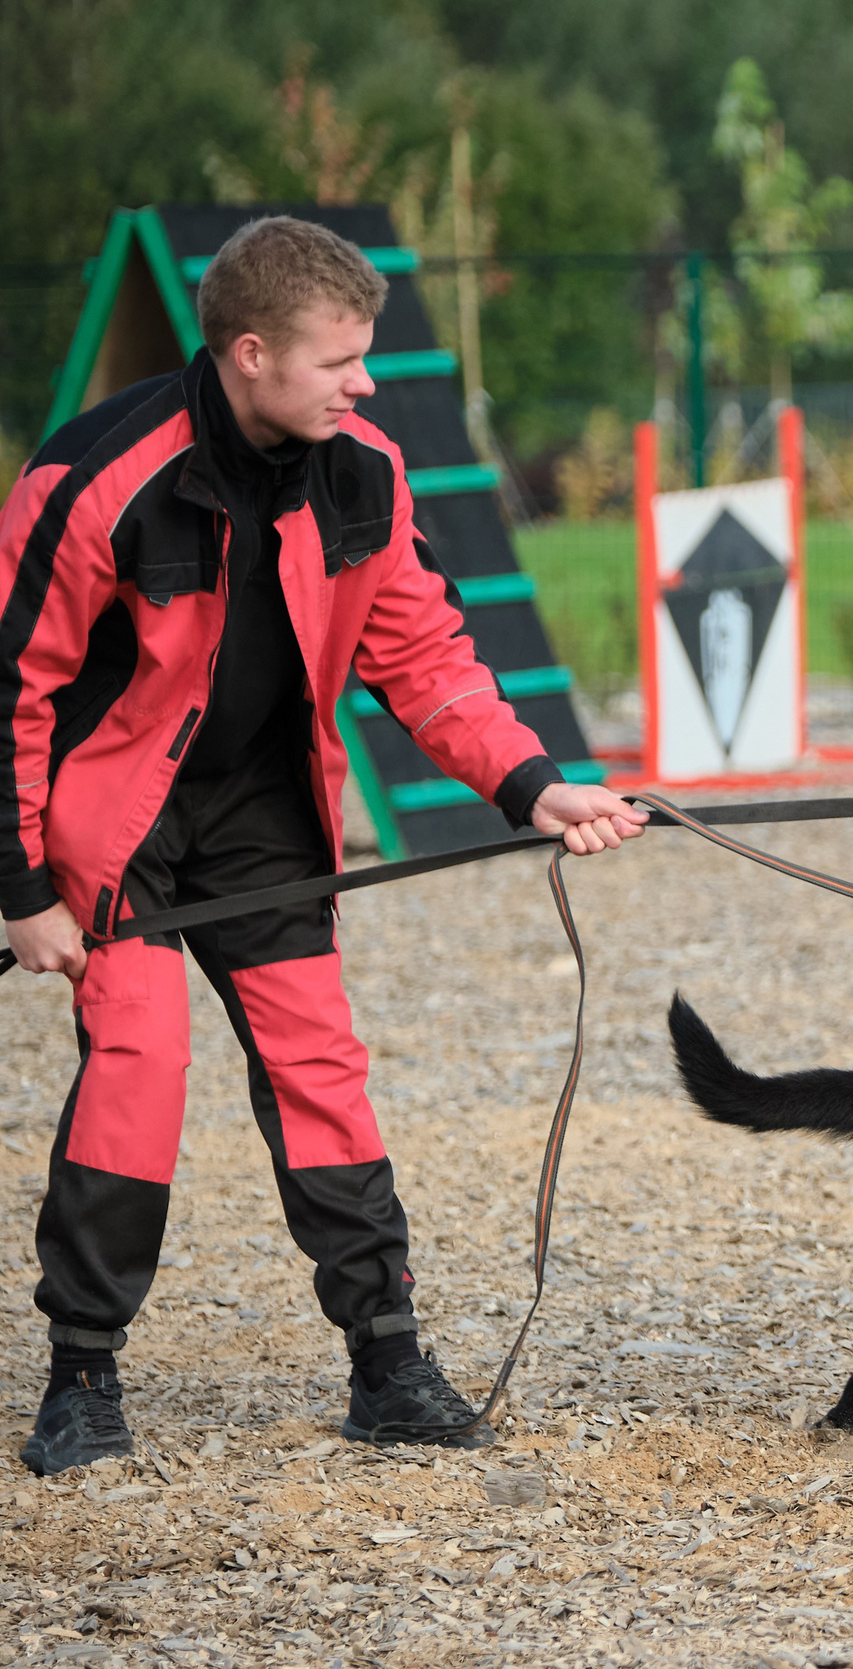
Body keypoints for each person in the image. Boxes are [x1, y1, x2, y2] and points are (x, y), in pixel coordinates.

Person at [1, 216, 646, 1475]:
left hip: (267, 812)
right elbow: (13, 693)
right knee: (140, 1064)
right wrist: (23, 890)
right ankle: (81, 1373)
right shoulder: (93, 479)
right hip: (120, 823)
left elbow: (427, 658)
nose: (367, 383)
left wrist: (530, 786)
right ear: (251, 353)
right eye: (341, 360)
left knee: (321, 1067)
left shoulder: (367, 473)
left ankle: (387, 1360)